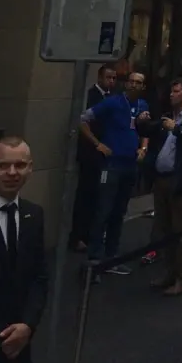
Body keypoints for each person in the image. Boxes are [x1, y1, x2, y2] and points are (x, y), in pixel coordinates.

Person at [0, 136, 48, 363]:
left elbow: (39, 277)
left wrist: (27, 326)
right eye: (2, 166)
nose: (12, 172)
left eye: (20, 165)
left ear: (30, 168)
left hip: (19, 349)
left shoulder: (34, 214)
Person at [136, 77, 182, 296]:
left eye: (176, 91)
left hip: (180, 180)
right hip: (162, 178)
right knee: (164, 228)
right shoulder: (167, 117)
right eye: (171, 91)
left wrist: (176, 129)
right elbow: (149, 131)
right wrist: (141, 121)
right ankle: (169, 272)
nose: (171, 95)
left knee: (181, 229)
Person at [80, 70, 148, 274]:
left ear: (143, 87)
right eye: (131, 81)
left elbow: (145, 131)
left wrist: (143, 148)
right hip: (112, 164)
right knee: (103, 210)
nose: (134, 85)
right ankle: (94, 258)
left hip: (130, 164)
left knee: (119, 212)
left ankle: (112, 257)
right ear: (126, 83)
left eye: (138, 82)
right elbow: (84, 119)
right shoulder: (113, 102)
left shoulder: (143, 106)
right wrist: (97, 144)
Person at [70, 63, 117, 252]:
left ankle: (92, 235)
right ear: (100, 78)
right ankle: (78, 236)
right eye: (108, 77)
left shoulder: (113, 98)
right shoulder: (92, 96)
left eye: (114, 78)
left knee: (99, 196)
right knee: (85, 195)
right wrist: (97, 143)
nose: (111, 81)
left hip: (106, 153)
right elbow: (82, 121)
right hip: (90, 153)